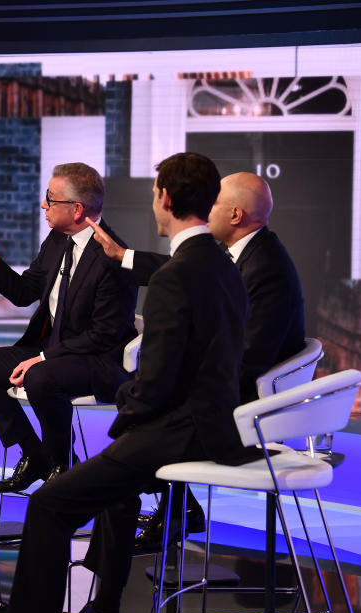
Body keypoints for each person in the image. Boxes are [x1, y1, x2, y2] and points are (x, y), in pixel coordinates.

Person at [7, 152, 252, 613]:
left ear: (163, 198)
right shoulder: (225, 264)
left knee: (49, 506)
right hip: (214, 427)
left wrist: (124, 424)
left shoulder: (173, 277)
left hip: (177, 432)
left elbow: (155, 385)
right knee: (113, 498)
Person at [88, 171, 305, 550]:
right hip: (221, 394)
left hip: (238, 407)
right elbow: (185, 270)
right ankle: (173, 510)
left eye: (213, 205)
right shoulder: (244, 253)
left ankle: (148, 530)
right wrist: (124, 256)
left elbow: (249, 358)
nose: (205, 212)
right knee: (132, 396)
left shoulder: (266, 268)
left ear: (235, 215)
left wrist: (177, 384)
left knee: (132, 423)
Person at [0, 162, 138, 493]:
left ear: (76, 209)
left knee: (41, 377)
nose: (43, 205)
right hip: (51, 351)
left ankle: (62, 465)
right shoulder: (58, 240)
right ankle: (36, 454)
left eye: (50, 199)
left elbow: (102, 335)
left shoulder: (113, 256)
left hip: (96, 358)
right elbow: (26, 292)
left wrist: (43, 358)